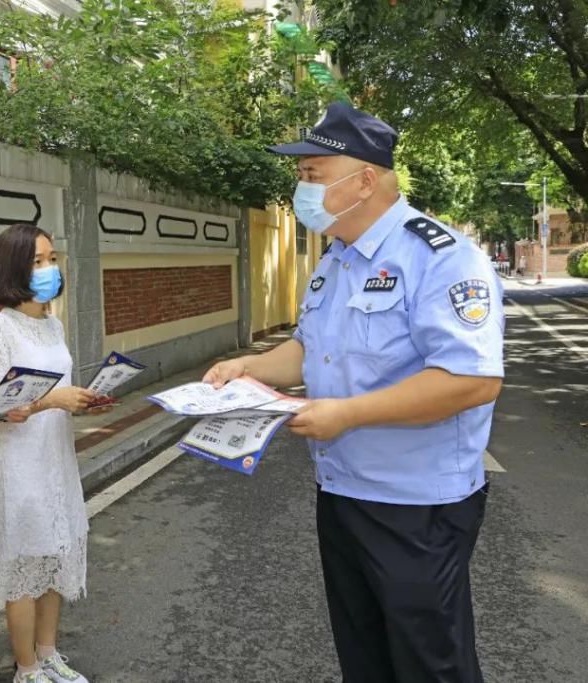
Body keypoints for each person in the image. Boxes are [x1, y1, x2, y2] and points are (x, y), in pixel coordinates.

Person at [205, 102, 504, 683]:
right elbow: (312, 349)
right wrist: (253, 367)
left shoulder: (441, 258)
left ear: (364, 180)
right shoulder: (334, 262)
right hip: (341, 493)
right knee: (364, 656)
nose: (301, 188)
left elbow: (472, 379)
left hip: (417, 505)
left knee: (428, 663)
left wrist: (347, 414)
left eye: (312, 174)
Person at [0, 224, 101, 683]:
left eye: (51, 259)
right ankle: (26, 668)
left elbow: (57, 388)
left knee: (57, 554)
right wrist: (50, 401)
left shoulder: (53, 322)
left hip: (56, 459)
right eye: (37, 261)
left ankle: (48, 653)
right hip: (18, 465)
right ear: (12, 269)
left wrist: (82, 400)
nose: (48, 270)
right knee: (23, 566)